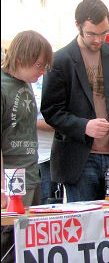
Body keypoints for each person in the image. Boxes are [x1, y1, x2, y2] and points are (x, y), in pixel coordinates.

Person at [41, 0, 109, 202]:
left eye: (104, 33)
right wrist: (85, 126)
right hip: (80, 160)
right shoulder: (60, 60)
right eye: (91, 34)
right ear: (78, 26)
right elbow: (50, 111)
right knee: (86, 227)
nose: (98, 40)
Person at [1, 30, 53, 263]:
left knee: (22, 253)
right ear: (24, 56)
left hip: (30, 177)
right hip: (9, 186)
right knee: (6, 256)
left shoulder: (24, 86)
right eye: (40, 65)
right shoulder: (3, 86)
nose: (42, 72)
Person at [32, 76, 63, 205]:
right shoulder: (17, 80)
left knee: (48, 207)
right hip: (23, 157)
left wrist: (29, 122)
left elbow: (61, 122)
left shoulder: (53, 79)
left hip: (48, 156)